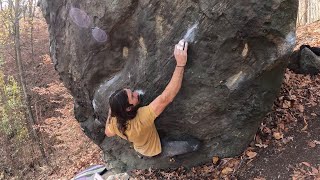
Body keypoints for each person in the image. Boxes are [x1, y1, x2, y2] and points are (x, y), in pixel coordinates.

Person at [105, 39, 199, 157]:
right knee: (195, 145)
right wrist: (180, 64)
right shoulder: (141, 119)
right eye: (132, 96)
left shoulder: (115, 121)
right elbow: (166, 97)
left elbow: (107, 133)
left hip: (140, 146)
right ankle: (162, 155)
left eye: (132, 92)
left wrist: (111, 110)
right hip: (154, 149)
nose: (136, 94)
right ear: (128, 108)